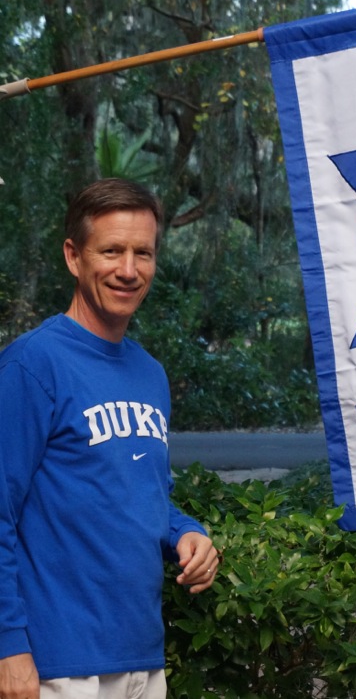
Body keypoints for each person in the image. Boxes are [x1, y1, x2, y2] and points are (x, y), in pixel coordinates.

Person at [0, 178, 219, 699]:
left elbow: (143, 492)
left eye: (142, 253)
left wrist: (186, 533)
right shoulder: (31, 366)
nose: (128, 270)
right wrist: (8, 647)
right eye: (112, 251)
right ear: (74, 257)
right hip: (57, 667)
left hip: (141, 660)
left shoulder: (150, 375)